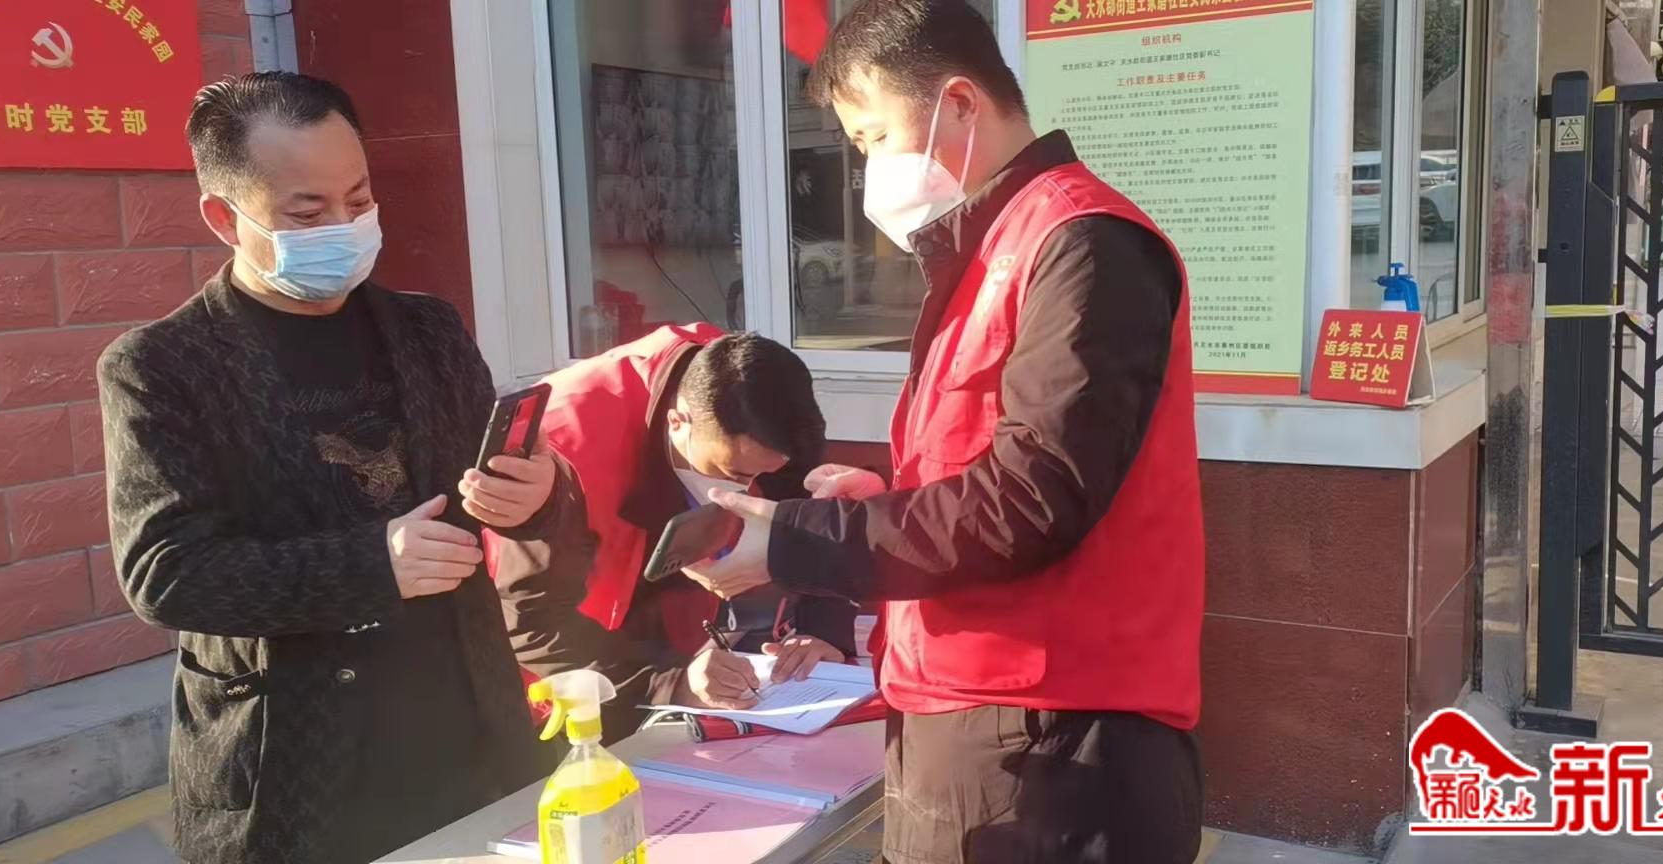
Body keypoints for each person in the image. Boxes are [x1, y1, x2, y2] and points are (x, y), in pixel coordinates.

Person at [678, 2, 1205, 862]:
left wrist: (797, 542)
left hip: (1053, 740)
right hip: (975, 712)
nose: (868, 170)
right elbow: (985, 478)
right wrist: (882, 501)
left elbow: (1031, 501)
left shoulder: (1082, 245)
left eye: (874, 137)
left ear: (960, 103)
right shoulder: (990, 251)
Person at [98, 72, 557, 864]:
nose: (344, 227)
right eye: (307, 213)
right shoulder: (161, 367)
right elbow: (164, 573)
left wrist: (536, 497)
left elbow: (482, 494)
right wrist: (372, 563)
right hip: (292, 759)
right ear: (224, 217)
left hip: (467, 730)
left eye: (359, 198)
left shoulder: (428, 329)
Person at [492, 325, 856, 747]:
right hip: (575, 662)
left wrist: (824, 629)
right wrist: (672, 682)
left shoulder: (747, 386)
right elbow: (532, 626)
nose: (748, 490)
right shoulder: (563, 448)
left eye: (765, 474)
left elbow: (811, 515)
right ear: (677, 422)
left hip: (688, 637)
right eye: (734, 473)